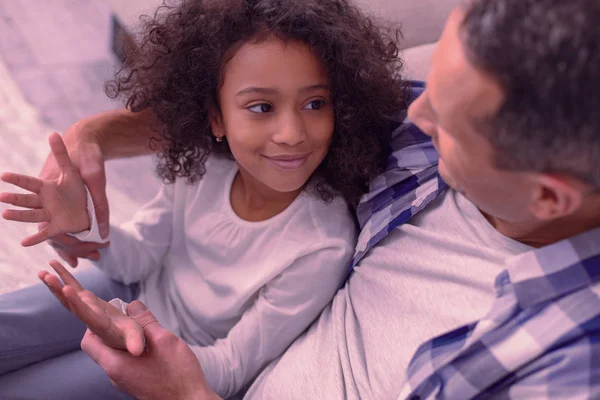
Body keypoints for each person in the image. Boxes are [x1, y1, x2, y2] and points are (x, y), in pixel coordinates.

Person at [8, 0, 600, 399]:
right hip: (154, 304)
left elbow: (226, 365)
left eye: (446, 123)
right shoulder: (420, 135)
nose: (414, 115)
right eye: (431, 91)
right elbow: (227, 114)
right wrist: (91, 144)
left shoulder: (563, 365)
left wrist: (184, 391)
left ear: (549, 196)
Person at [0, 0, 407, 398]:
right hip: (136, 289)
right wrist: (82, 224)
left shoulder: (322, 245)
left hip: (174, 362)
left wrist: (135, 337)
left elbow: (230, 368)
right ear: (216, 118)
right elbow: (139, 257)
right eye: (262, 106)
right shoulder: (204, 170)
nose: (292, 133)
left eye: (315, 103)